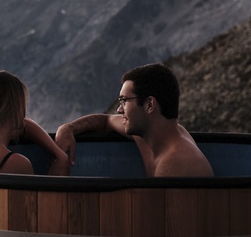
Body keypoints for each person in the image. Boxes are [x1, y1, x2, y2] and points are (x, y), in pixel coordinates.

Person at [55, 63, 214, 177]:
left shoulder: (176, 164)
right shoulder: (147, 134)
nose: (119, 109)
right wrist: (69, 128)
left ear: (149, 104)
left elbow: (170, 223)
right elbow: (106, 121)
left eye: (124, 101)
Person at [0, 69, 69, 175]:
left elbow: (25, 125)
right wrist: (61, 158)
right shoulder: (16, 163)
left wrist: (58, 153)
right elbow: (38, 194)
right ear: (13, 109)